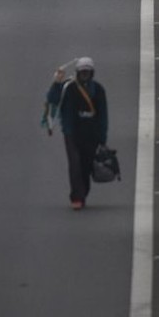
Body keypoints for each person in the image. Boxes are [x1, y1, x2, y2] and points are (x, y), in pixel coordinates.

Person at [46, 58, 109, 209]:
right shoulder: (68, 87)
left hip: (91, 134)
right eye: (82, 72)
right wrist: (56, 82)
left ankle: (83, 193)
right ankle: (76, 197)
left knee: (86, 166)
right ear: (77, 72)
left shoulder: (98, 90)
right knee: (74, 164)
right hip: (72, 132)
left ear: (92, 73)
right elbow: (52, 99)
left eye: (87, 72)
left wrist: (102, 138)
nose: (84, 75)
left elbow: (103, 116)